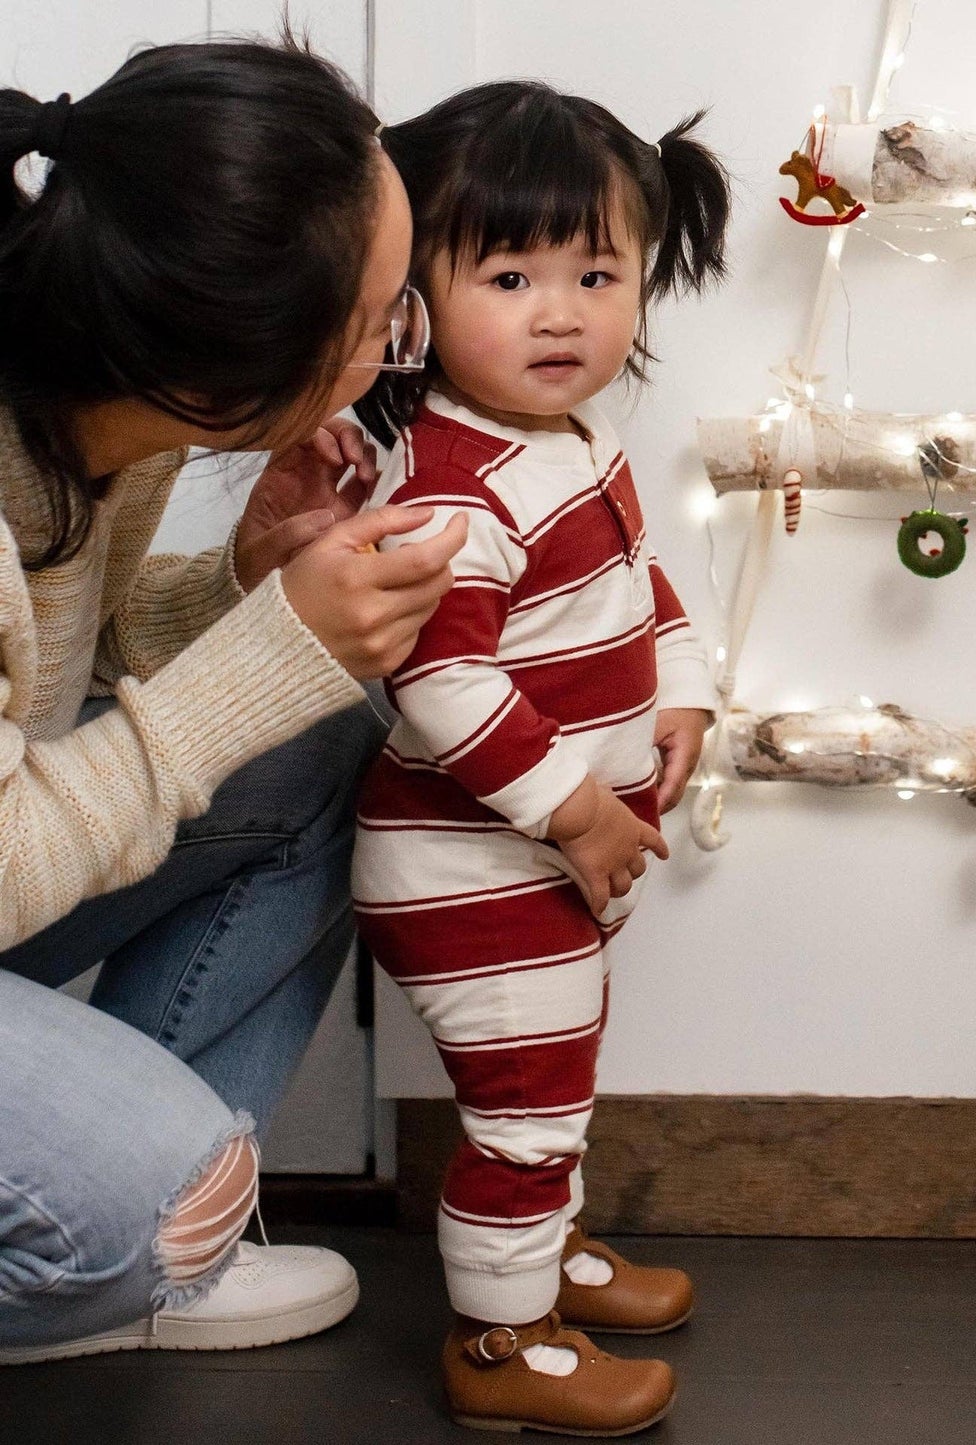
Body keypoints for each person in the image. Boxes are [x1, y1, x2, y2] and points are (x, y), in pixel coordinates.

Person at [0, 38, 466, 1362]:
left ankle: (151, 1254)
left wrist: (246, 585)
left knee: (318, 743)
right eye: (379, 322)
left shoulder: (96, 391)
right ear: (215, 379)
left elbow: (53, 678)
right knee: (153, 1205)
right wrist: (268, 654)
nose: (395, 349)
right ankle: (106, 1246)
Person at [351, 81, 729, 1434]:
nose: (560, 310)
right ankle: (501, 1336)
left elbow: (637, 583)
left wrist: (676, 691)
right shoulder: (457, 486)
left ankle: (541, 1253)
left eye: (596, 272)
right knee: (526, 1099)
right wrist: (575, 809)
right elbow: (438, 680)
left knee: (552, 1077)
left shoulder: (573, 438)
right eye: (509, 274)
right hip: (471, 865)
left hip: (536, 857)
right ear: (412, 298)